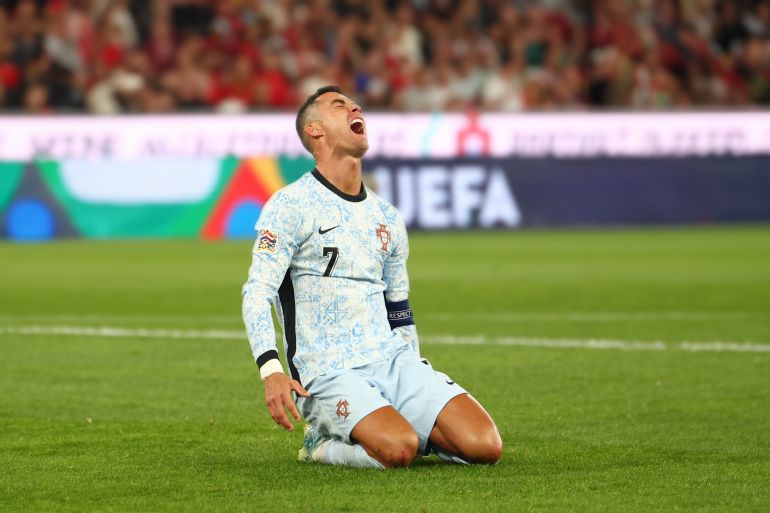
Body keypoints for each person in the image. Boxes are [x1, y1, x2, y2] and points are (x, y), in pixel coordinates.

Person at [241, 85, 503, 468]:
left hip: (391, 360)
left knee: (485, 446)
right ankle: (320, 444)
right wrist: (271, 370)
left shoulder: (387, 217)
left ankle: (400, 423)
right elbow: (257, 292)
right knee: (398, 450)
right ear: (315, 131)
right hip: (326, 370)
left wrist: (413, 371)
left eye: (353, 103)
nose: (354, 106)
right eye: (339, 105)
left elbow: (398, 306)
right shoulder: (289, 206)